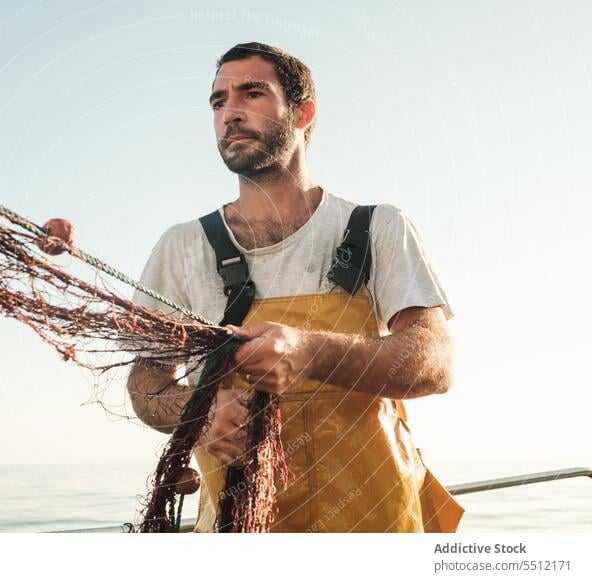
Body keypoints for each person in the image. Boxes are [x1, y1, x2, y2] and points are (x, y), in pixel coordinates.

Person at [45, 42, 464, 533]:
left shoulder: (378, 227)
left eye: (252, 94)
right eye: (218, 101)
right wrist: (198, 414)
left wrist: (311, 352)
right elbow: (147, 382)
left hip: (377, 525)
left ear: (303, 113)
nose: (230, 113)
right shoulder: (182, 247)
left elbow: (433, 361)